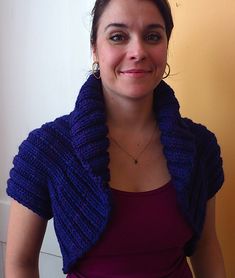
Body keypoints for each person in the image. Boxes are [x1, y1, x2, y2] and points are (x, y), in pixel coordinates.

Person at [5, 0, 226, 277]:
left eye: (153, 36)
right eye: (118, 36)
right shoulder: (46, 151)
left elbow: (206, 247)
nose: (138, 51)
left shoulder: (200, 146)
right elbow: (20, 263)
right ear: (95, 48)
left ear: (166, 46)